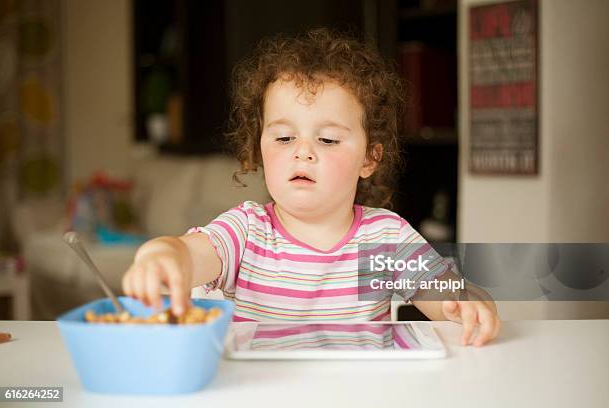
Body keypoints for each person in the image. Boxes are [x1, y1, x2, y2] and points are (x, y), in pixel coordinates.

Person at [123, 28, 500, 347]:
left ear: (369, 158)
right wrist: (162, 257)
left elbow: (444, 293)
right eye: (284, 138)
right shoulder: (246, 233)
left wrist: (464, 302)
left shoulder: (383, 239)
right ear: (260, 149)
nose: (303, 152)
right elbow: (187, 255)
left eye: (329, 140)